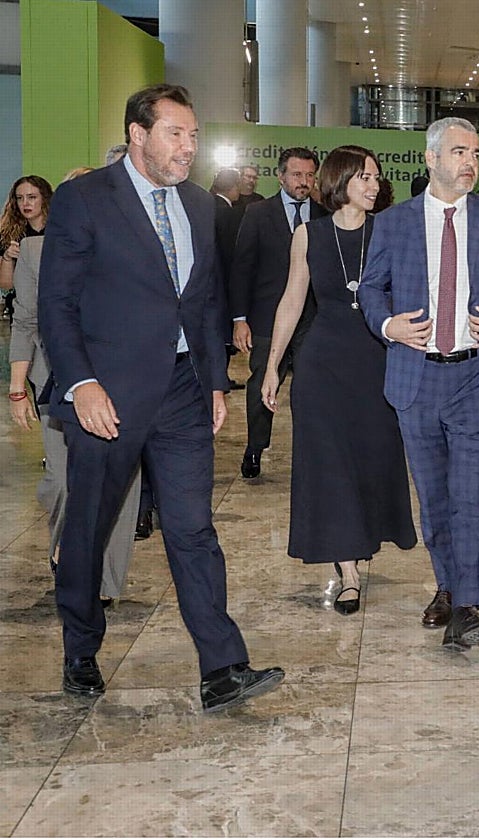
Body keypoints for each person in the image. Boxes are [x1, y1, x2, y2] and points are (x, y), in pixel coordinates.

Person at [38, 83, 282, 711]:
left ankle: (222, 667)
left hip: (181, 391)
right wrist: (81, 383)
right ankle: (80, 650)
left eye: (194, 135)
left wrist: (213, 381)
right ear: (138, 135)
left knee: (193, 527)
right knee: (91, 528)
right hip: (107, 395)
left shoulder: (200, 205)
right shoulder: (85, 199)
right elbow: (56, 306)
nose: (189, 147)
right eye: (176, 133)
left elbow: (201, 300)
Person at [358, 117, 479, 647]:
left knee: (467, 494)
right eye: (457, 152)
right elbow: (372, 289)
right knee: (433, 497)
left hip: (476, 377)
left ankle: (469, 606)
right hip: (415, 377)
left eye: (475, 152)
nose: (469, 162)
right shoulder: (394, 222)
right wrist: (387, 325)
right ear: (430, 159)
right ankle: (448, 587)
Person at [261, 145, 417, 615]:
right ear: (341, 181)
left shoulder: (389, 231)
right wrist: (273, 365)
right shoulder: (309, 235)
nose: (374, 185)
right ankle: (348, 571)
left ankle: (366, 539)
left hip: (378, 362)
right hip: (323, 364)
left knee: (370, 460)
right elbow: (292, 301)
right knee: (329, 465)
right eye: (365, 177)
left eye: (376, 177)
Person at [8, 168, 140, 608]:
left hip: (123, 380)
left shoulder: (134, 245)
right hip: (56, 382)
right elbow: (25, 320)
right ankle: (67, 554)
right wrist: (16, 388)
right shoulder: (33, 249)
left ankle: (103, 582)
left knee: (121, 486)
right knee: (63, 481)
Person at [228, 147, 326, 480]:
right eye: (297, 175)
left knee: (313, 388)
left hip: (313, 320)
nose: (304, 182)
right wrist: (239, 318)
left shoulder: (325, 214)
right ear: (281, 176)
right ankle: (255, 447)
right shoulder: (257, 213)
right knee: (261, 385)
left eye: (310, 175)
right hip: (267, 317)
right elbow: (242, 268)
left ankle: (314, 452)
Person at [1, 176, 53, 323]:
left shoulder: (61, 230)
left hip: (56, 311)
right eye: (19, 198)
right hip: (22, 314)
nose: (25, 203)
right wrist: (7, 257)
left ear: (45, 198)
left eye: (32, 197)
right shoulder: (8, 234)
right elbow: (6, 285)